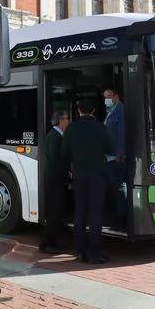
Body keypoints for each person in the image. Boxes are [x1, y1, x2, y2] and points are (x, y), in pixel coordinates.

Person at [61, 98, 114, 264]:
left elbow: (64, 152)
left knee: (80, 212)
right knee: (95, 214)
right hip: (98, 174)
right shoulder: (101, 128)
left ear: (79, 111)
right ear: (93, 111)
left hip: (79, 174)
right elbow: (110, 148)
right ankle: (94, 253)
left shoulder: (72, 128)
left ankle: (80, 252)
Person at [39, 110, 71, 254]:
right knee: (54, 212)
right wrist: (67, 170)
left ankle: (51, 242)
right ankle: (48, 244)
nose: (68, 121)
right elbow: (55, 159)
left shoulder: (57, 135)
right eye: (66, 119)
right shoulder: (55, 136)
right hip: (54, 179)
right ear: (60, 121)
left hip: (55, 178)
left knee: (56, 212)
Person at [103, 86, 127, 227]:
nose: (106, 100)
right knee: (113, 186)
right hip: (108, 156)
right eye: (105, 97)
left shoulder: (120, 110)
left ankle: (121, 216)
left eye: (109, 96)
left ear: (116, 96)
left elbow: (121, 133)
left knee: (118, 186)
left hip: (115, 157)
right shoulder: (110, 110)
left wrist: (120, 154)